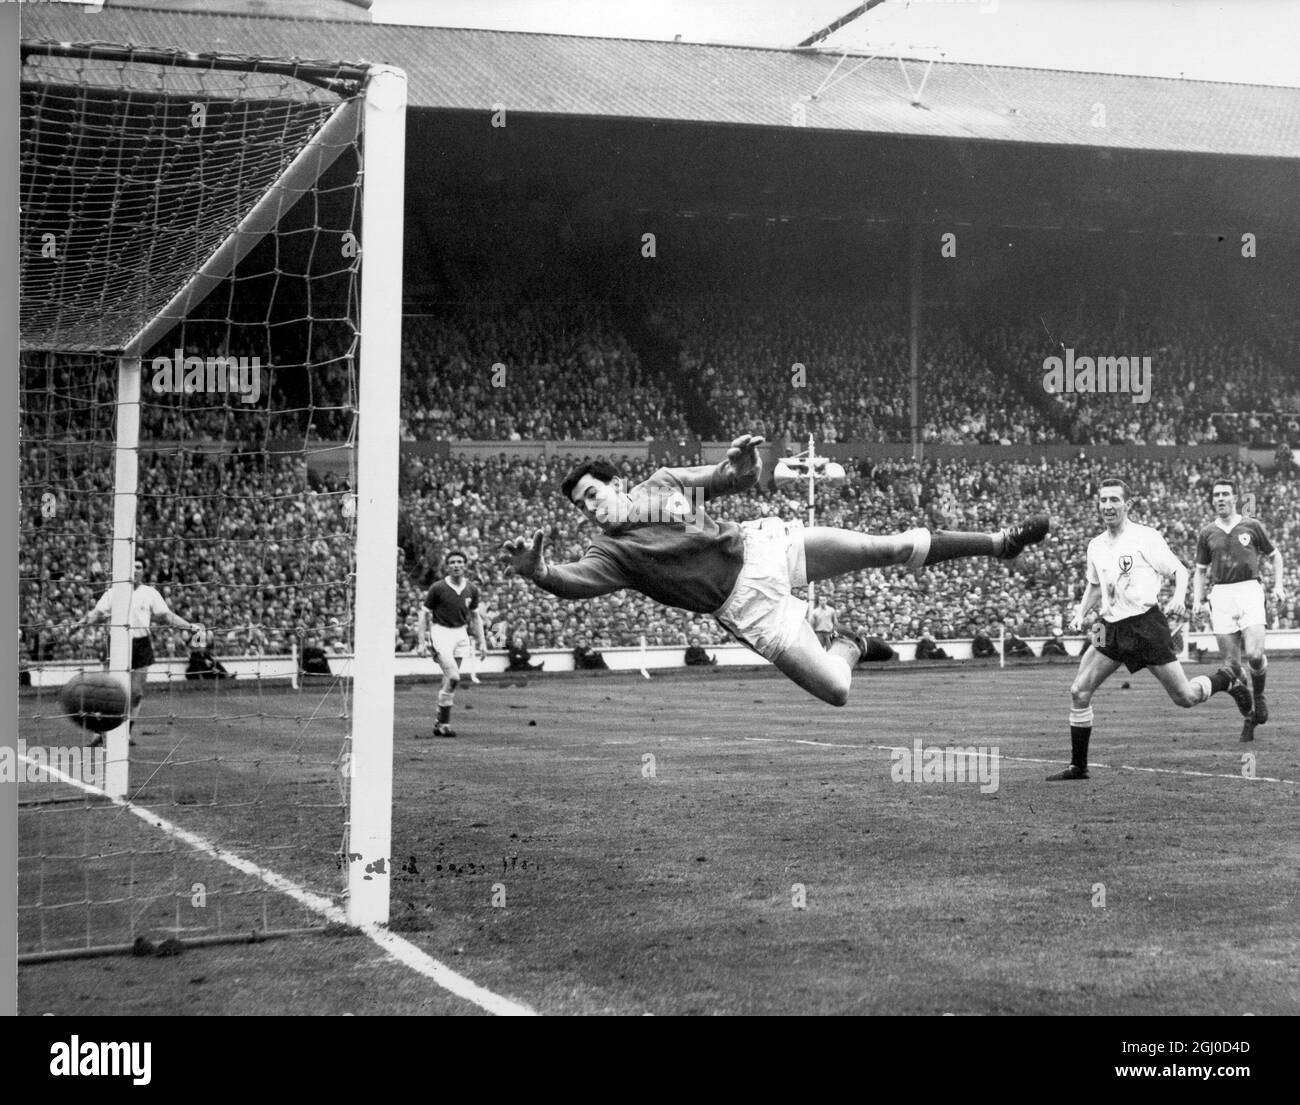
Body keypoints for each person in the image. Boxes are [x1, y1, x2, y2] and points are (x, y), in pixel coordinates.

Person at [502, 433, 1050, 707]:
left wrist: (746, 464)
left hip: (765, 549)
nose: (590, 506)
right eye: (581, 505)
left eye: (593, 493)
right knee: (838, 690)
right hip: (749, 608)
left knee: (884, 547)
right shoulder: (610, 554)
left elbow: (730, 478)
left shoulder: (664, 482)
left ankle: (999, 542)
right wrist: (540, 572)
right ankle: (850, 643)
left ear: (617, 485)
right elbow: (571, 583)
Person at [1047, 478, 1249, 781]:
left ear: (1128, 504)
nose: (1108, 506)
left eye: (1114, 500)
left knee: (1185, 697)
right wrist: (1080, 613)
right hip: (1109, 627)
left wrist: (1178, 597)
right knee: (1079, 691)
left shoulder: (1145, 537)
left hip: (1145, 625)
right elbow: (1094, 585)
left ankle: (1228, 679)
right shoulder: (1095, 546)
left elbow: (1180, 570)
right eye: (1103, 500)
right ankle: (1079, 766)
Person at [1193, 479, 1285, 741]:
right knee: (1232, 666)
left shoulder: (1251, 525)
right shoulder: (1207, 532)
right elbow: (1200, 572)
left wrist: (1278, 585)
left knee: (1255, 655)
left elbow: (1275, 555)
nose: (1220, 498)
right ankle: (1249, 715)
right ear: (1212, 500)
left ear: (1235, 498)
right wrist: (1198, 601)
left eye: (1225, 494)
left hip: (1249, 590)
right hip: (1221, 594)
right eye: (1216, 495)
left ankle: (1259, 696)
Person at [74, 559, 202, 744]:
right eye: (132, 566)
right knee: (107, 691)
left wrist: (189, 626)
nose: (135, 570)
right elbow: (97, 613)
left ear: (143, 572)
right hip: (116, 643)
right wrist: (80, 624)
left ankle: (127, 732)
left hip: (141, 645)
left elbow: (166, 615)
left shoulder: (150, 593)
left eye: (139, 567)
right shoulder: (113, 592)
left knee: (136, 693)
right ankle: (99, 732)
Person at [418, 551, 487, 739]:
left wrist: (482, 641)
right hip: (441, 632)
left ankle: (442, 724)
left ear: (465, 565)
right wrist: (421, 642)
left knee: (448, 680)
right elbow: (423, 614)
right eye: (452, 562)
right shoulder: (438, 588)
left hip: (461, 634)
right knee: (454, 677)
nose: (456, 565)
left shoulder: (471, 589)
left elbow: (475, 617)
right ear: (448, 566)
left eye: (459, 562)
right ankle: (443, 722)